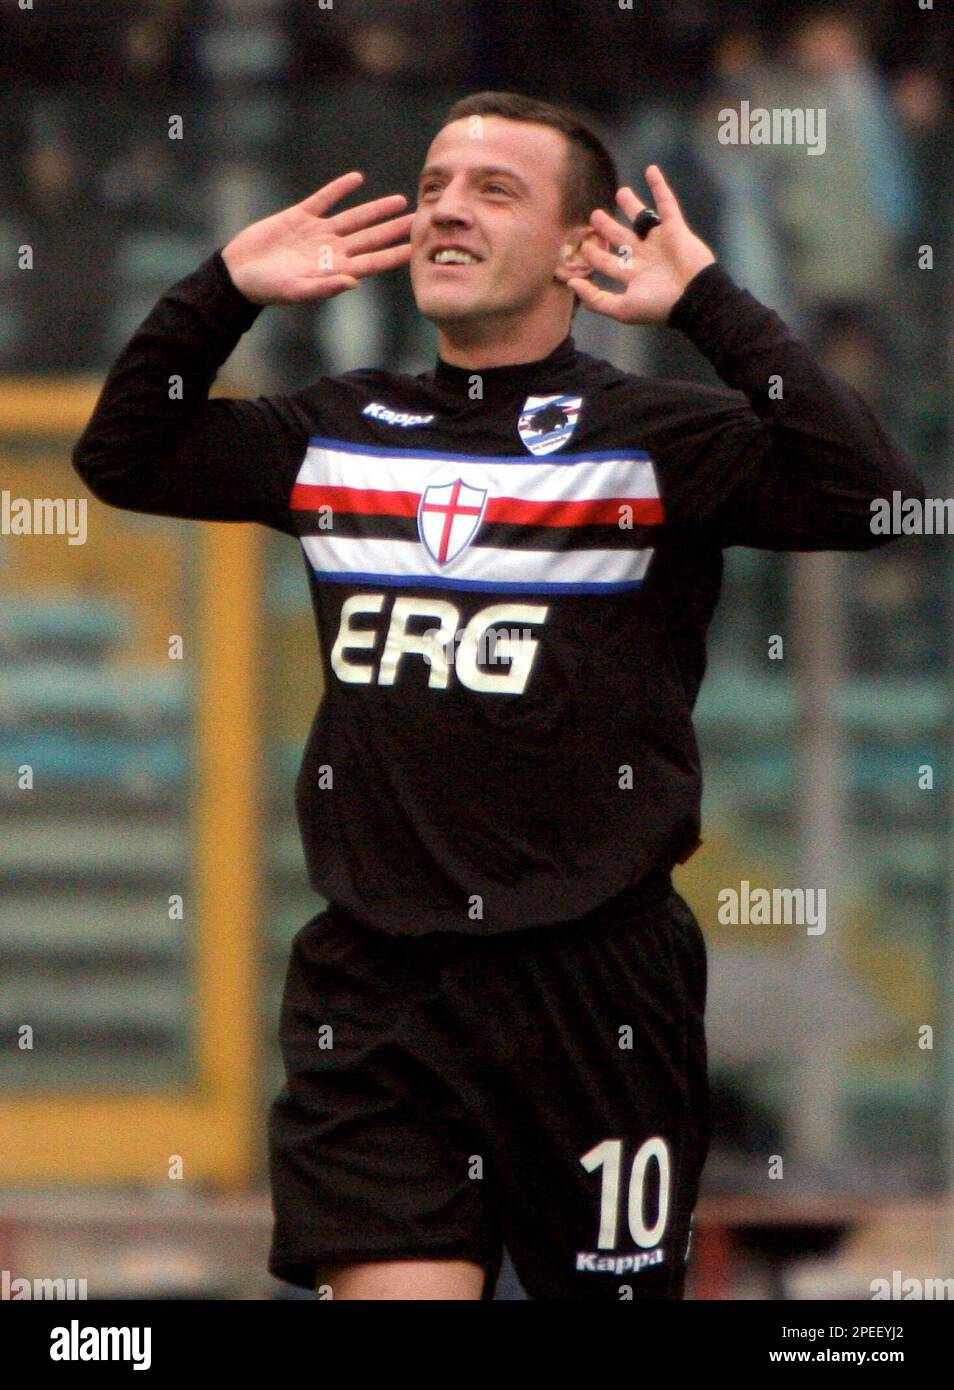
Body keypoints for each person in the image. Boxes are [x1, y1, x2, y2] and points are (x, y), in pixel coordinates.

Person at [72, 91, 924, 1301]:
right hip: (378, 993)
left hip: (597, 996)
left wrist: (711, 309)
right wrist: (224, 289)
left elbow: (871, 494)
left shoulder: (653, 441)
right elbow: (124, 456)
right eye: (431, 188)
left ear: (581, 248)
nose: (446, 212)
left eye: (492, 190)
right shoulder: (339, 428)